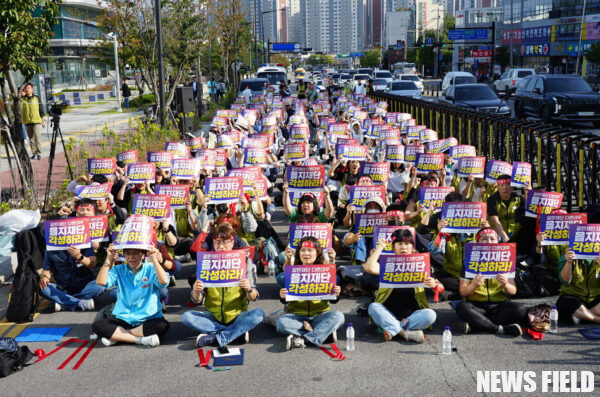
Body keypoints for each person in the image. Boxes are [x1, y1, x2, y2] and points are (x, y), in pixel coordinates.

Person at [182, 223, 265, 350]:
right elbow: (197, 300)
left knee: (259, 314)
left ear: (232, 243)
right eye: (217, 242)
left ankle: (217, 338)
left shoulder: (245, 262)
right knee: (186, 317)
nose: (221, 246)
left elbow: (254, 297)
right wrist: (196, 292)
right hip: (213, 316)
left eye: (225, 242)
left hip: (237, 315)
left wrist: (248, 288)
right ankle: (235, 334)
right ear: (213, 243)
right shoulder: (206, 262)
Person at [365, 229, 440, 343]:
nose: (403, 247)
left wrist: (434, 285)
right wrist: (380, 248)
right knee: (373, 307)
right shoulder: (388, 264)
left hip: (412, 316)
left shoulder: (421, 264)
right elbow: (369, 267)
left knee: (430, 315)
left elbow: (441, 287)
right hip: (388, 312)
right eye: (399, 244)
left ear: (412, 247)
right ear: (393, 247)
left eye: (407, 244)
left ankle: (392, 328)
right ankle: (404, 333)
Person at [92, 244, 170, 347]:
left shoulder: (150, 268)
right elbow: (101, 281)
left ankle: (118, 336)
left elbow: (164, 282)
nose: (131, 257)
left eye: (135, 253)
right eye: (128, 254)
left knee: (162, 325)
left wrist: (154, 260)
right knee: (98, 326)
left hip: (147, 318)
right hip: (123, 319)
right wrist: (109, 259)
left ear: (143, 255)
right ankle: (140, 340)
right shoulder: (119, 269)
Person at [454, 227, 527, 336]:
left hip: (499, 306)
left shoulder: (506, 258)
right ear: (477, 242)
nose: (488, 242)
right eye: (484, 239)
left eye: (492, 239)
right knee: (462, 307)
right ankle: (498, 329)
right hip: (477, 306)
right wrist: (473, 285)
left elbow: (513, 291)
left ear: (498, 241)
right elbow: (463, 292)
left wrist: (505, 284)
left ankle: (477, 324)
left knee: (521, 309)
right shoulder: (468, 262)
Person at [276, 236, 344, 349]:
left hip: (320, 314)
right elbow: (285, 300)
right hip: (297, 316)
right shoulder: (292, 272)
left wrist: (336, 293)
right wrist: (282, 296)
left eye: (310, 250)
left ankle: (303, 339)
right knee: (281, 323)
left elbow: (333, 301)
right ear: (298, 253)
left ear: (317, 253)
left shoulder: (325, 271)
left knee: (338, 316)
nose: (306, 253)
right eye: (302, 250)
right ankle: (323, 334)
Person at [39, 200, 104, 312]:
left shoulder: (85, 241)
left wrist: (80, 256)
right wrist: (44, 278)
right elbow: (46, 271)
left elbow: (93, 264)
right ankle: (79, 303)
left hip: (85, 286)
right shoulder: (51, 248)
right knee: (42, 288)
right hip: (63, 288)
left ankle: (64, 302)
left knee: (100, 286)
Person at [555, 248, 600, 324]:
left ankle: (583, 316)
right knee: (565, 302)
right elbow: (565, 281)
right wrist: (569, 263)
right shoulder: (567, 256)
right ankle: (596, 319)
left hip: (594, 300)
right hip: (574, 299)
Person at [21, 82, 46, 160]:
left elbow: (41, 109)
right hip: (27, 121)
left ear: (32, 89)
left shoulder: (36, 98)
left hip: (36, 121)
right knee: (31, 138)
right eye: (26, 88)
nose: (27, 89)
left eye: (29, 88)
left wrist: (43, 120)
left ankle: (38, 153)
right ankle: (34, 153)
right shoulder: (22, 99)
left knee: (37, 137)